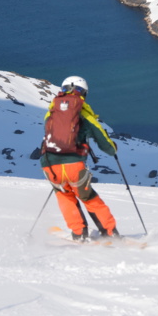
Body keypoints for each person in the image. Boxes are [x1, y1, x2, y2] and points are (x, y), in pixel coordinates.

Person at [40, 76, 119, 241]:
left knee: (64, 196)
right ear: (84, 93)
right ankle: (110, 234)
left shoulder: (51, 112)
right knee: (89, 197)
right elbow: (105, 143)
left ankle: (78, 234)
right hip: (74, 165)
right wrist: (113, 149)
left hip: (49, 165)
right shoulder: (84, 113)